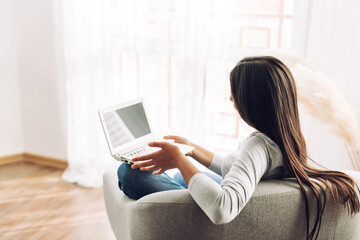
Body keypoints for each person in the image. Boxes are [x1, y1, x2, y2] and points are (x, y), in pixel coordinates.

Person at [117, 56, 360, 240]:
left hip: (219, 215)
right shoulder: (286, 138)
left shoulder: (257, 146)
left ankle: (175, 198)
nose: (230, 98)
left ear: (252, 100)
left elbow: (222, 209)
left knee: (128, 173)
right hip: (241, 192)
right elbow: (241, 167)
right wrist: (193, 150)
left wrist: (180, 159)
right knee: (182, 176)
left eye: (235, 91)